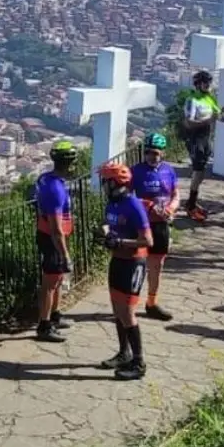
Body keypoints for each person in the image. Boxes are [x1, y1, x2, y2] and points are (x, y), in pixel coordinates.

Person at [95, 163, 153, 381]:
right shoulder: (112, 203)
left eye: (106, 181)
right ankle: (124, 352)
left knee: (128, 312)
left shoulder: (133, 205)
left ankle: (139, 362)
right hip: (117, 261)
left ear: (116, 183)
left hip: (133, 263)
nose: (103, 186)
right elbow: (108, 224)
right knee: (117, 311)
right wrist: (105, 232)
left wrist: (121, 241)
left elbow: (147, 240)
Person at [129, 132, 177, 322]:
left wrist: (171, 208)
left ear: (162, 153)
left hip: (162, 224)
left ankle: (152, 303)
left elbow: (175, 193)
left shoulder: (169, 171)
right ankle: (130, 303)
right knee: (137, 265)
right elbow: (128, 197)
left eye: (155, 153)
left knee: (157, 266)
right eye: (148, 152)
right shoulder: (136, 171)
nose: (151, 156)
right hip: (142, 225)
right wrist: (147, 205)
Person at [33, 141, 78, 342]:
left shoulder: (46, 179)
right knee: (50, 282)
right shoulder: (56, 189)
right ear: (70, 163)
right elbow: (56, 228)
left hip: (48, 235)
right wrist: (65, 255)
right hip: (53, 239)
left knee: (57, 279)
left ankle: (55, 314)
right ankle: (44, 324)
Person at [180, 70, 224, 222]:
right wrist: (209, 120)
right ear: (197, 84)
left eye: (209, 82)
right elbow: (188, 123)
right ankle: (190, 204)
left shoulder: (210, 98)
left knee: (201, 172)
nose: (208, 84)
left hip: (206, 138)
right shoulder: (192, 100)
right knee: (198, 171)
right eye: (205, 82)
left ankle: (192, 201)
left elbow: (220, 118)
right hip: (195, 139)